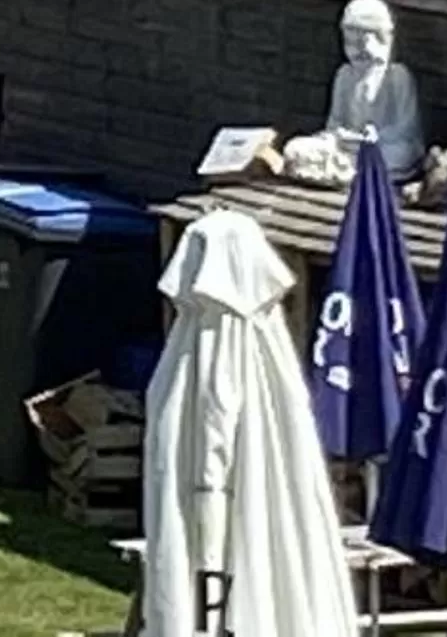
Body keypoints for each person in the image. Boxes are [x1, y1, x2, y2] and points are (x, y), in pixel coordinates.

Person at [141, 211, 359, 637]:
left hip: (244, 499)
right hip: (205, 513)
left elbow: (216, 427)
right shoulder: (199, 353)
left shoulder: (241, 357)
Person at [282, 0, 425, 185]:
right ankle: (347, 168)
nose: (356, 50)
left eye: (363, 42)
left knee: (401, 154)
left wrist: (372, 139)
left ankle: (347, 169)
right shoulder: (345, 75)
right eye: (350, 43)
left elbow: (406, 129)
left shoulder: (396, 76)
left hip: (383, 146)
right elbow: (334, 123)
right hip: (347, 147)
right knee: (295, 149)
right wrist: (339, 136)